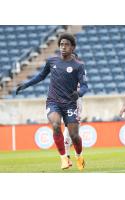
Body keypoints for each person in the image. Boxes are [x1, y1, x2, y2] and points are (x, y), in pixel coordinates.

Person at [16, 33, 88, 171]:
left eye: (67, 44)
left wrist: (78, 93)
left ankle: (79, 156)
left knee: (74, 135)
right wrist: (26, 85)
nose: (63, 47)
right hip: (53, 101)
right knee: (55, 125)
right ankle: (64, 159)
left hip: (70, 104)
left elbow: (85, 86)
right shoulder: (52, 61)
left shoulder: (79, 66)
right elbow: (41, 76)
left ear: (72, 47)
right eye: (61, 44)